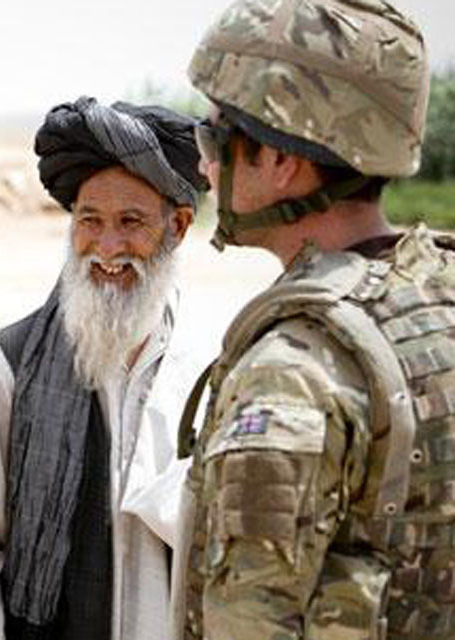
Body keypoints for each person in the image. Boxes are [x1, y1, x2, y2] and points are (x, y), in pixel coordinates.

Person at [172, 2, 445, 639]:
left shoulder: (294, 371)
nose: (204, 165)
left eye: (213, 140)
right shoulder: (439, 294)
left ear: (280, 161)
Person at [0, 96, 211, 640]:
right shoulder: (14, 363)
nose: (107, 247)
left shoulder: (212, 365)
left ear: (177, 226)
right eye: (90, 220)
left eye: (131, 222)